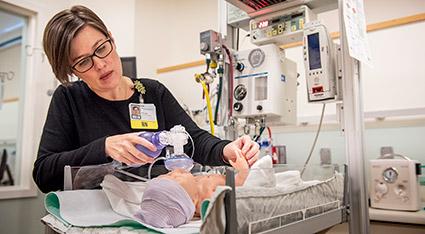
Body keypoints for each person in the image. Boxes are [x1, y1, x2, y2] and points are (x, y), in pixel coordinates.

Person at [32, 5, 259, 193]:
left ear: (111, 38)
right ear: (73, 71)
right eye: (83, 62)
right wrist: (104, 147)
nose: (100, 64)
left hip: (152, 212)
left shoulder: (151, 92)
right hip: (93, 218)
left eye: (101, 48)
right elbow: (44, 174)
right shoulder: (69, 99)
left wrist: (225, 149)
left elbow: (193, 140)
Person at [135, 151, 250, 228]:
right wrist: (243, 171)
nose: (174, 171)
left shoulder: (194, 184)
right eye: (174, 177)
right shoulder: (207, 195)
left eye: (168, 174)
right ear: (191, 200)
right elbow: (237, 190)